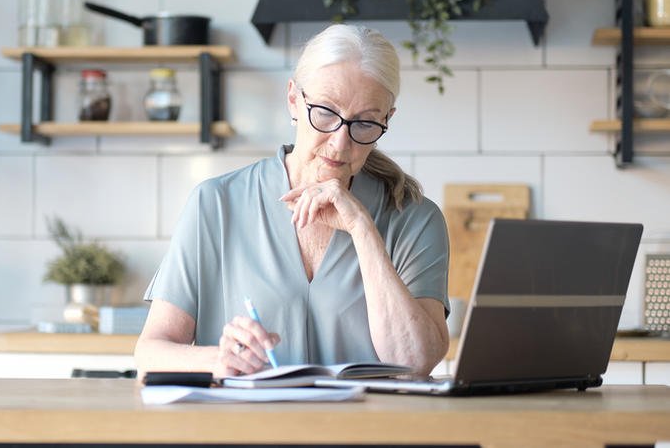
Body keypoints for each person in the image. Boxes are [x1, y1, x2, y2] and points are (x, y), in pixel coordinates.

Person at [135, 24, 450, 379]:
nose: (340, 144)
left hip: (369, 433)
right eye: (325, 113)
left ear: (387, 119)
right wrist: (216, 360)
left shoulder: (415, 218)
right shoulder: (216, 203)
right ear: (293, 100)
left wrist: (362, 229)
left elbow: (416, 361)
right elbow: (150, 350)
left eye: (364, 124)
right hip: (247, 431)